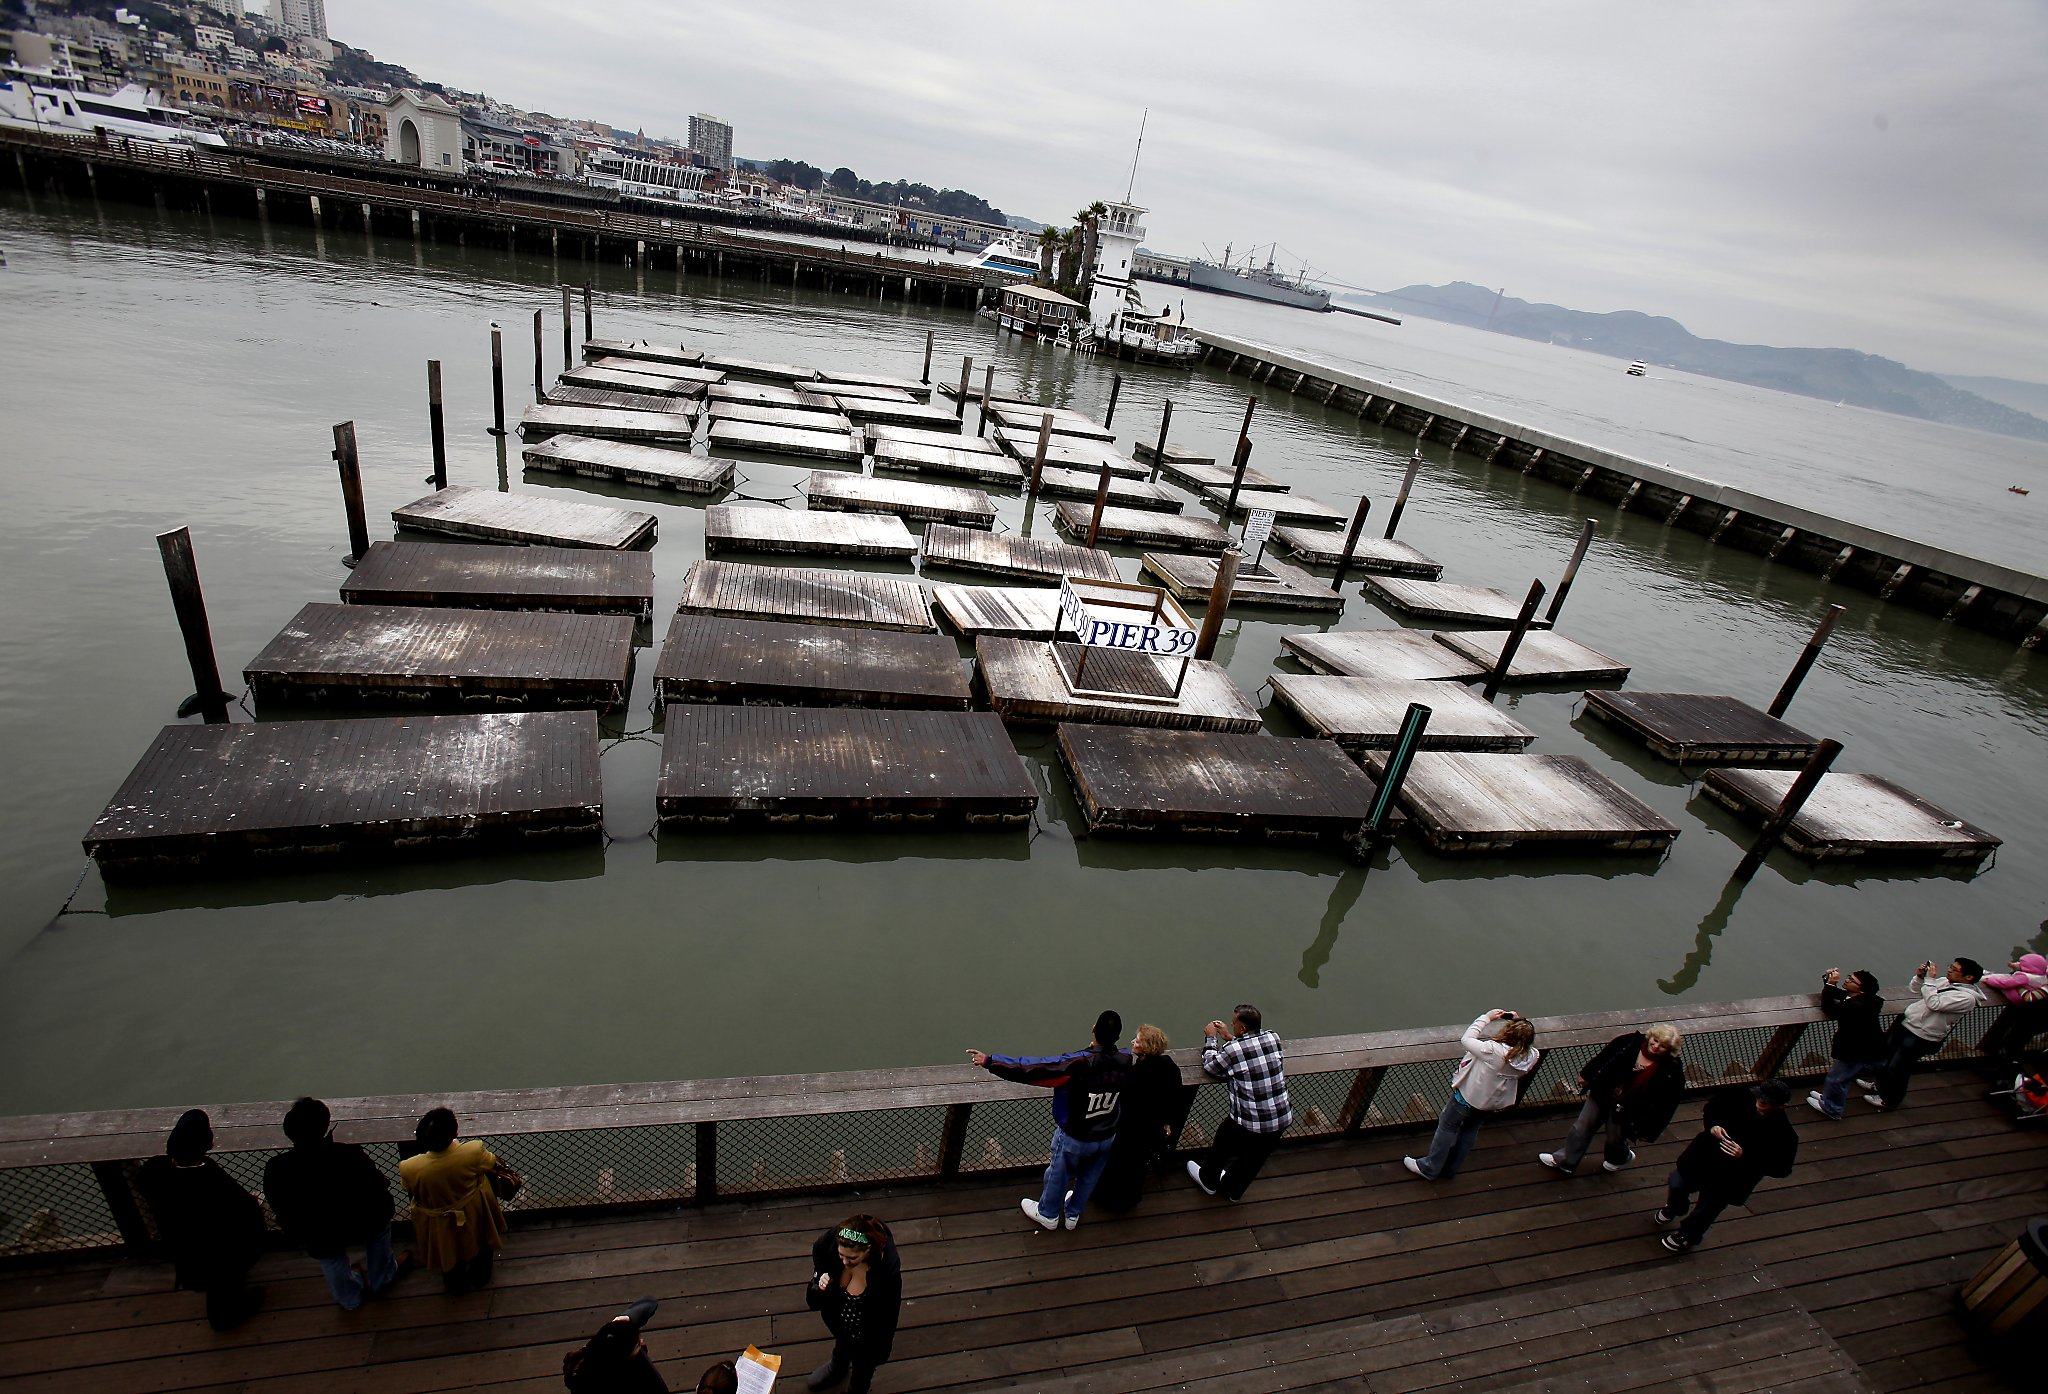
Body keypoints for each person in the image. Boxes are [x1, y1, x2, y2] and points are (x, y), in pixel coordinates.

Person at [966, 1010, 1133, 1230]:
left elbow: (1034, 1069)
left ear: (1094, 1029)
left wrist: (991, 1061)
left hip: (1077, 1135)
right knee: (1090, 1176)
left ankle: (1048, 1214)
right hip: (1107, 1134)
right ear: (1119, 1036)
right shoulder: (1127, 1059)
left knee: (1059, 1173)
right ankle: (1073, 1215)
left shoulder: (1080, 1063)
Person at [263, 1097, 408, 1311]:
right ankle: (382, 1278)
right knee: (379, 1231)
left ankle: (350, 1298)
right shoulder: (348, 1154)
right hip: (362, 1222)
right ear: (325, 1126)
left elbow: (278, 1203)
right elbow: (378, 1184)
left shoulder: (277, 1168)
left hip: (318, 1232)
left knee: (330, 1257)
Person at [134, 1109, 267, 1331]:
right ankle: (226, 1316)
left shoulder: (154, 1170)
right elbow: (247, 1210)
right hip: (217, 1250)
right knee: (221, 1284)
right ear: (208, 1144)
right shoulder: (211, 1181)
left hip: (182, 1245)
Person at [1657, 1079, 1799, 1252]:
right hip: (1704, 1157)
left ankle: (1688, 1236)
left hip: (1732, 1177)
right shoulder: (1739, 1096)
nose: (1760, 1103)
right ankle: (1676, 1207)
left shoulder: (1785, 1135)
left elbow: (1782, 1168)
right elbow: (1711, 1109)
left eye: (1767, 1103)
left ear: (1781, 1106)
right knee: (1677, 1182)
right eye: (1760, 1098)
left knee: (1706, 1210)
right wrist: (1713, 1126)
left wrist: (1745, 1156)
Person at [1404, 1010, 1540, 1181]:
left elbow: (1467, 1039)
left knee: (1447, 1127)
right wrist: (1519, 1022)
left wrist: (1487, 1018)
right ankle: (1449, 1169)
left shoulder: (1493, 1050)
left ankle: (1430, 1167)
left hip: (1467, 1099)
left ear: (1509, 1033)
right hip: (1490, 1103)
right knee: (1469, 1131)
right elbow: (1522, 1043)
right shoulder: (1532, 1056)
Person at [1538, 1023, 1684, 1175]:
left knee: (1615, 1138)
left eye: (1663, 1046)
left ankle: (1620, 1158)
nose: (1655, 1046)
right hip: (1603, 1092)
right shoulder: (1630, 1042)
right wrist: (1587, 1074)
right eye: (1655, 1040)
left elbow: (1667, 1104)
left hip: (1630, 1109)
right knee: (1581, 1127)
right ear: (1650, 1036)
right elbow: (1605, 1056)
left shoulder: (1671, 1069)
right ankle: (1565, 1161)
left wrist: (1652, 1130)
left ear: (1670, 1050)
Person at [1187, 1004, 1292, 1201]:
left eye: (1234, 1023)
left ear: (1242, 1028)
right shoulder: (1273, 1037)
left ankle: (1208, 1180)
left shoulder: (1232, 1049)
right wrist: (1229, 1036)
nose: (1232, 1025)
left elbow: (1211, 1066)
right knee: (1253, 1159)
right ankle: (1233, 1192)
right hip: (1281, 1116)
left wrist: (1211, 1038)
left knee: (1223, 1142)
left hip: (1249, 1119)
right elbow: (1250, 1049)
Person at [399, 1106, 508, 1295]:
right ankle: (480, 1277)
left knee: (448, 1250)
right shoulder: (472, 1151)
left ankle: (454, 1284)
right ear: (456, 1133)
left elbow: (409, 1188)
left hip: (438, 1220)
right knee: (481, 1244)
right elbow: (492, 1163)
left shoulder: (409, 1167)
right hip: (473, 1210)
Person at [1093, 1023, 1192, 1213]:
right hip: (1153, 1129)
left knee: (1119, 1164)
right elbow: (1175, 1095)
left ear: (1145, 1047)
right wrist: (1168, 1121)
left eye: (1137, 1040)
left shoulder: (1136, 1073)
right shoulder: (1168, 1065)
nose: (1133, 1042)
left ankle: (1108, 1199)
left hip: (1131, 1128)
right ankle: (1130, 1199)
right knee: (1136, 1167)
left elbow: (1125, 1099)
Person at [1868, 959, 1985, 1110]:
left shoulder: (1966, 998)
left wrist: (1929, 980)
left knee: (1899, 1068)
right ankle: (1878, 1086)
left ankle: (1890, 1100)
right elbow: (1916, 990)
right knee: (1887, 1057)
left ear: (1968, 977)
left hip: (1922, 1035)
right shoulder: (1945, 982)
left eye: (1954, 969)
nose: (1949, 970)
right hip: (1908, 1024)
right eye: (1950, 966)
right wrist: (1920, 978)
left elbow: (1934, 1003)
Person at [804, 1214, 902, 1394]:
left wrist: (878, 1350)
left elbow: (888, 1319)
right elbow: (819, 1249)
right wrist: (822, 1274)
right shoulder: (836, 1241)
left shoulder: (887, 1276)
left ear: (868, 1250)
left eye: (852, 1258)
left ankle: (857, 1389)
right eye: (841, 1255)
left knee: (863, 1369)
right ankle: (838, 1367)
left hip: (867, 1336)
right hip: (842, 1323)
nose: (844, 1262)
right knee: (842, 1343)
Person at [1807, 970, 1886, 1120]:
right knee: (1838, 1077)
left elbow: (1830, 1009)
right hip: (1870, 1047)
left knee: (1837, 1079)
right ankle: (1828, 1098)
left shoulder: (1855, 1007)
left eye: (1852, 980)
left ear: (1861, 990)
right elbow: (1842, 995)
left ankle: (1832, 1109)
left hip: (1856, 1050)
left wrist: (1830, 985)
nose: (1848, 980)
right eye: (1850, 977)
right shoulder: (1869, 1001)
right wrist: (1829, 984)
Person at [562, 1295, 666, 1392]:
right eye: (638, 1345)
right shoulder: (635, 1376)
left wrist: (626, 1318)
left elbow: (649, 1301)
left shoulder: (594, 1352)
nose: (642, 1342)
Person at [1976, 953, 2048, 1063]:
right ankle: (2003, 1060)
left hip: (2034, 1018)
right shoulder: (2042, 976)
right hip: (2031, 1015)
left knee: (2015, 1041)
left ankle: (2008, 1065)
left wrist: (2019, 985)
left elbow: (2029, 997)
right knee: (2014, 1040)